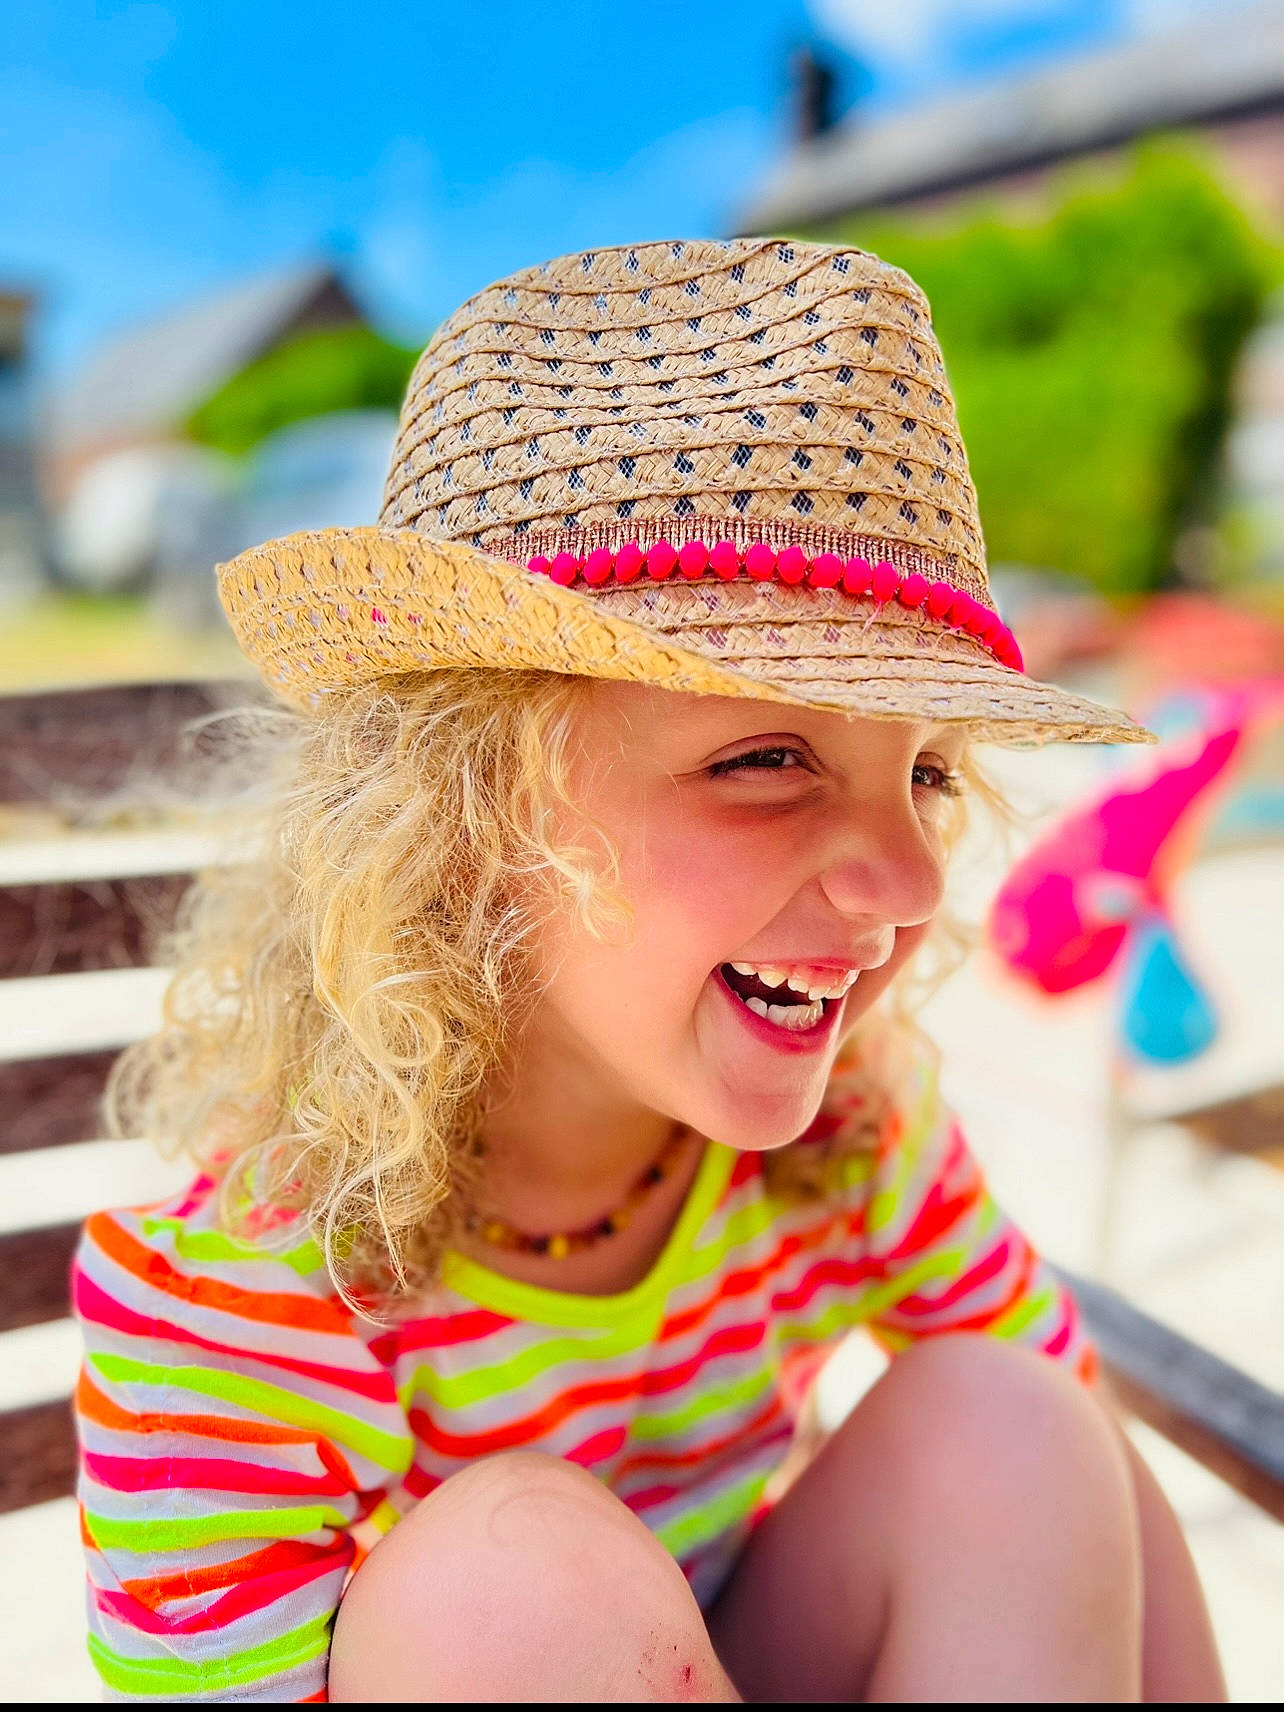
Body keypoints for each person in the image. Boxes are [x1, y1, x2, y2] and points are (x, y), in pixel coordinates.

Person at [73, 239, 1224, 1702]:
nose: (915, 881)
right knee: (507, 1588)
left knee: (1017, 1419)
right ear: (468, 819)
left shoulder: (857, 1140)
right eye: (766, 759)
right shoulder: (254, 1303)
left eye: (927, 774)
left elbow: (1089, 1483)